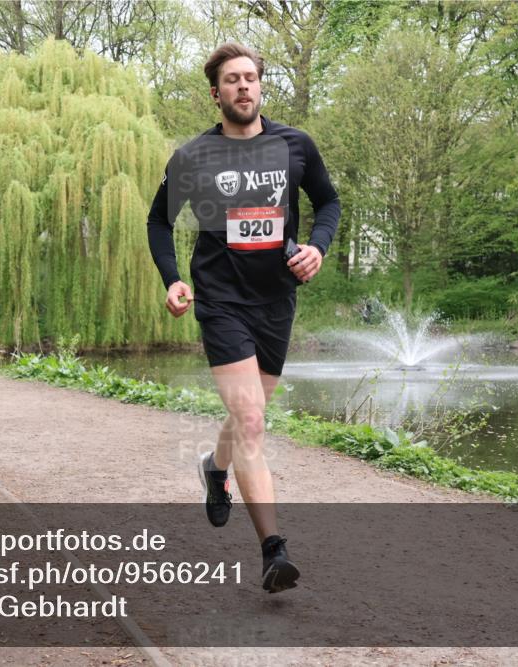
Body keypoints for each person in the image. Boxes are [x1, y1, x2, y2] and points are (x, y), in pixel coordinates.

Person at [146, 42, 340, 594]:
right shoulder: (193, 157)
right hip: (221, 298)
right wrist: (173, 279)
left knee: (246, 417)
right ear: (216, 93)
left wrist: (318, 248)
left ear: (261, 87)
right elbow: (159, 222)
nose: (243, 87)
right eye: (232, 80)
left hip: (276, 299)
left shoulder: (294, 145)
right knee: (252, 420)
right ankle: (273, 550)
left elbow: (328, 203)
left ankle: (214, 465)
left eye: (251, 78)